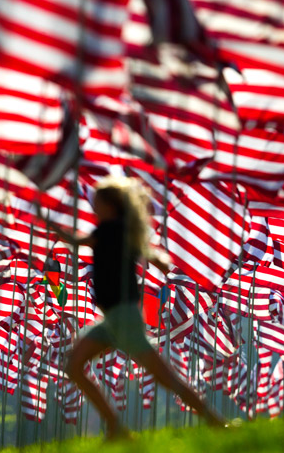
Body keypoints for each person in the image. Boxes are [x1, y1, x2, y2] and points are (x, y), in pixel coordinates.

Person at [41, 177, 225, 439]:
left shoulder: (111, 229)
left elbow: (78, 242)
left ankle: (214, 420)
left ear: (111, 205)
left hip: (124, 319)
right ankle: (116, 428)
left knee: (165, 378)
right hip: (112, 320)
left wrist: (47, 222)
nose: (94, 207)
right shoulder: (117, 229)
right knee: (73, 365)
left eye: (99, 203)